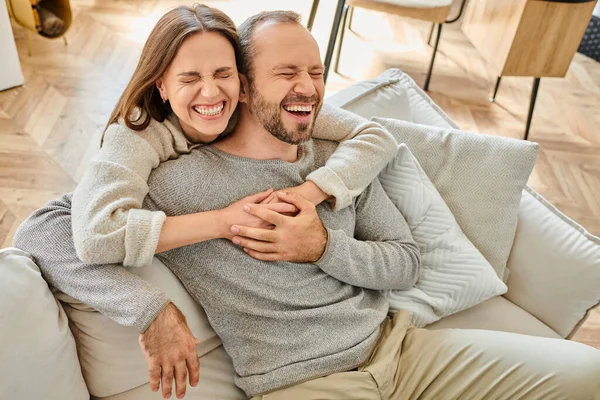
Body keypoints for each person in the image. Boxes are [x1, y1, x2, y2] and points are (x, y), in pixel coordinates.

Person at [14, 9, 600, 400]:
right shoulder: (171, 178)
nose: (308, 87)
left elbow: (405, 263)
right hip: (303, 384)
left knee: (588, 375)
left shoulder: (336, 157)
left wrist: (324, 246)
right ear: (250, 83)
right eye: (287, 72)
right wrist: (150, 311)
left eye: (316, 72)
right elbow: (45, 230)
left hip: (403, 348)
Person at [70, 3, 398, 270]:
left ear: (243, 83)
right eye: (189, 79)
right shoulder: (136, 134)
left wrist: (308, 193)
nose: (211, 93)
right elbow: (94, 234)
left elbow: (375, 136)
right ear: (162, 85)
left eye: (223, 74)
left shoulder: (257, 104)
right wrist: (224, 221)